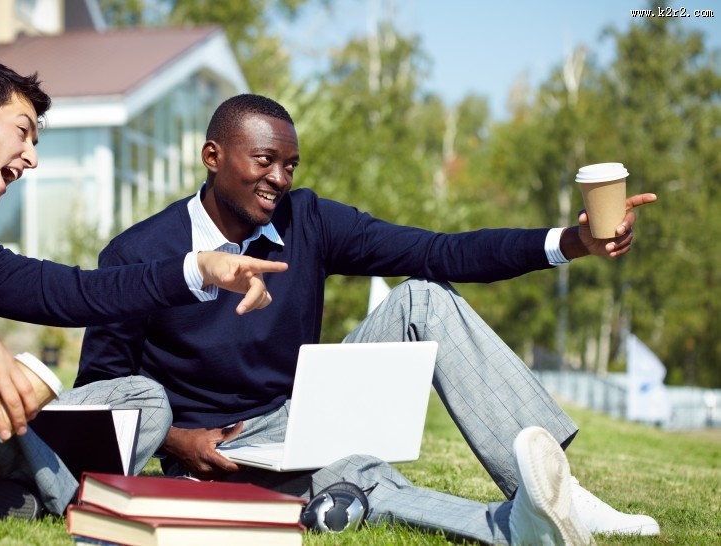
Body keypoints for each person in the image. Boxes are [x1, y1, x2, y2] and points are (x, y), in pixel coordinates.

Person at [76, 94, 660, 544]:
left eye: (290, 164)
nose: (280, 179)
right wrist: (179, 440)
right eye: (264, 161)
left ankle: (562, 493)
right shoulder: (137, 254)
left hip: (299, 418)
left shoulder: (308, 221)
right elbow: (101, 394)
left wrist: (570, 242)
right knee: (361, 475)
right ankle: (513, 529)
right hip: (217, 455)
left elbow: (440, 251)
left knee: (424, 297)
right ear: (213, 157)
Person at [0, 61, 287, 520]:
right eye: (22, 132)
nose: (32, 158)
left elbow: (78, 291)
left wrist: (198, 268)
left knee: (141, 400)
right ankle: (78, 502)